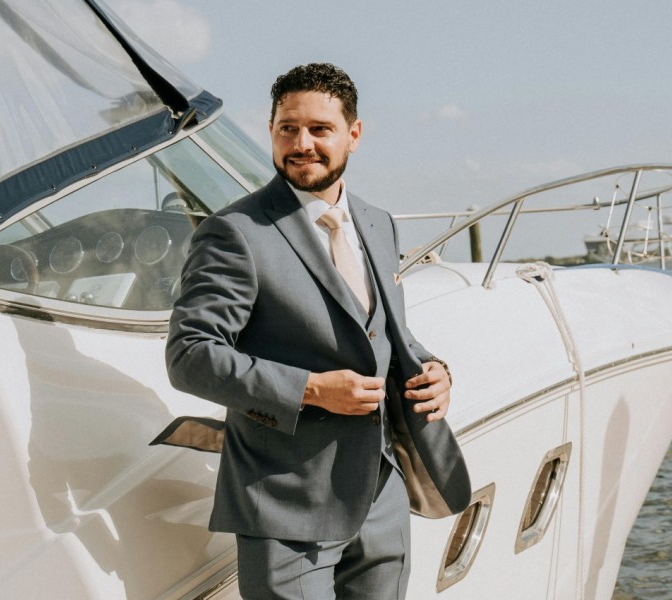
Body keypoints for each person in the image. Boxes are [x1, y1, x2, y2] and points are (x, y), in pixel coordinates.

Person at [165, 63, 470, 599]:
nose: (301, 144)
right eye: (288, 128)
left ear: (353, 134)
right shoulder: (235, 233)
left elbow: (385, 334)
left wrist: (436, 370)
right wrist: (311, 390)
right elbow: (190, 356)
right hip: (285, 504)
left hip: (383, 501)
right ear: (272, 131)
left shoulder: (378, 222)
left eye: (319, 129)